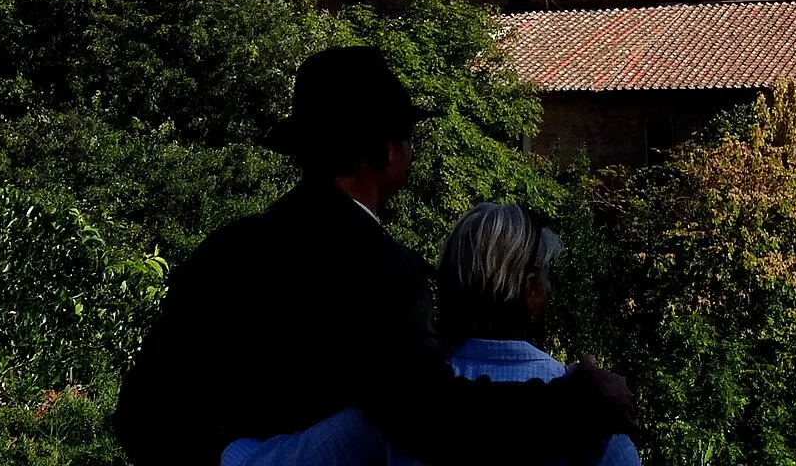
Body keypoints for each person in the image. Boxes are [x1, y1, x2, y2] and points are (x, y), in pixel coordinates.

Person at [114, 47, 632, 466]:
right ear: (386, 153)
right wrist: (576, 403)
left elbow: (140, 415)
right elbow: (434, 419)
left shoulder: (226, 250)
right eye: (407, 140)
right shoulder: (380, 270)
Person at [432, 203, 639, 466]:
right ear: (530, 288)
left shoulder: (404, 398)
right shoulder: (592, 406)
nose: (550, 289)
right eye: (546, 277)